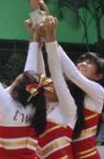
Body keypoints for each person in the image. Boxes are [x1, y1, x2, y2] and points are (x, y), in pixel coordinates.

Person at [0, 30, 49, 157]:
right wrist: (34, 40)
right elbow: (29, 74)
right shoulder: (35, 106)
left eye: (15, 81)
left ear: (17, 93)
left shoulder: (7, 106)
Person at [59, 47, 104, 157]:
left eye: (89, 63)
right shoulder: (70, 92)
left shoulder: (98, 92)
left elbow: (73, 74)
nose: (83, 64)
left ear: (97, 76)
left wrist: (52, 40)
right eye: (82, 61)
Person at [37, 16, 78, 158]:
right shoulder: (44, 106)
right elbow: (39, 75)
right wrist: (37, 42)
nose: (47, 83)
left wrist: (50, 37)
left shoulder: (68, 108)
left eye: (51, 82)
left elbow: (56, 71)